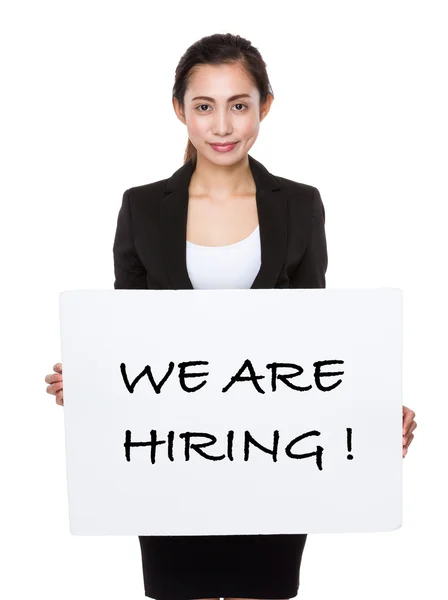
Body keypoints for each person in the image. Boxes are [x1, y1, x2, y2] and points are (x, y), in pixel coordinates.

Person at [44, 32, 417, 600]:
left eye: (239, 105)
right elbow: (129, 331)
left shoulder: (300, 203)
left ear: (264, 106)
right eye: (204, 106)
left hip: (276, 460)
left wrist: (368, 409)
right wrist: (94, 378)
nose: (222, 126)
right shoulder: (142, 207)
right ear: (179, 111)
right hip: (169, 462)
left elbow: (314, 335)